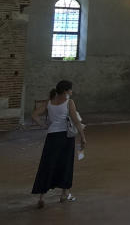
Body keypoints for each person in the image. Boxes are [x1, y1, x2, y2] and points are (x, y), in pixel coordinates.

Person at [31, 80, 86, 208]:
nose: (71, 92)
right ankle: (64, 194)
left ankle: (42, 196)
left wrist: (44, 125)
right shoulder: (69, 102)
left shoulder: (49, 102)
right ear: (66, 91)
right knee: (65, 164)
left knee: (48, 165)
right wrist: (83, 137)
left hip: (52, 137)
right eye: (70, 90)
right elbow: (76, 121)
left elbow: (34, 115)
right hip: (66, 138)